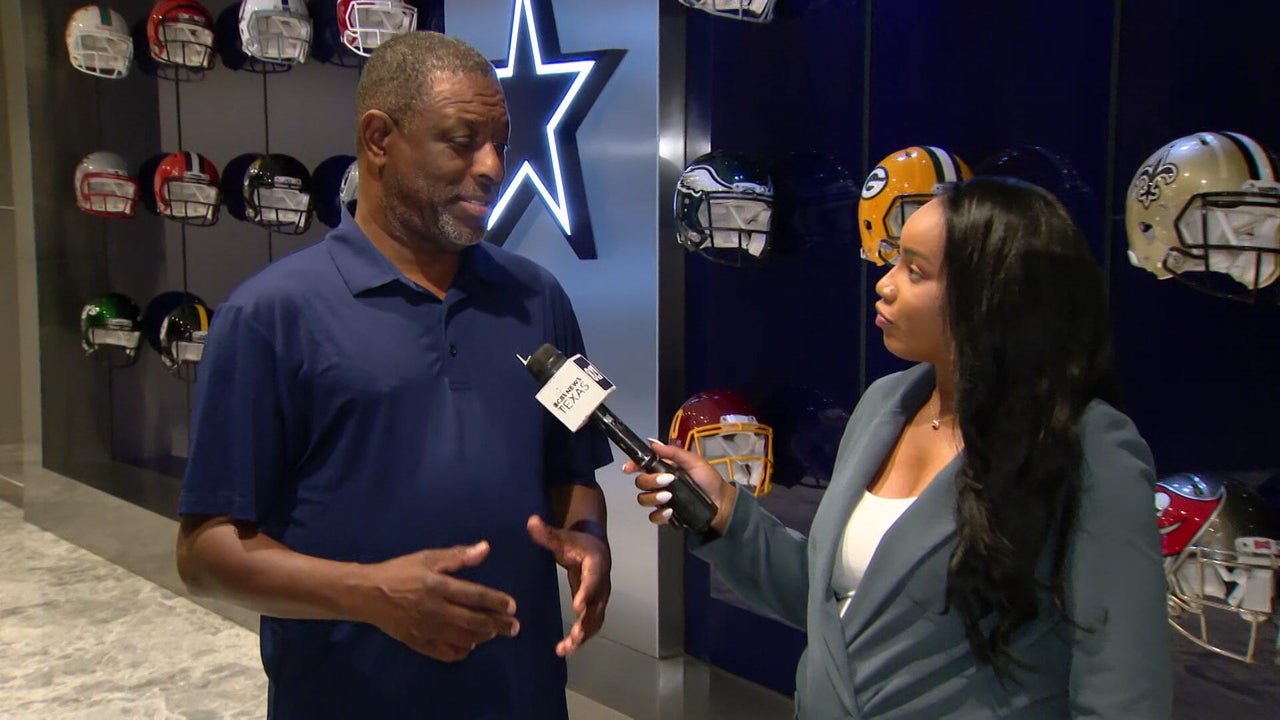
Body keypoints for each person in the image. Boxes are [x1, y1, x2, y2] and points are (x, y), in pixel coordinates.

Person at [175, 31, 613, 720]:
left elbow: (573, 472)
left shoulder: (540, 300)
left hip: (521, 696)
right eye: (462, 142)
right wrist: (369, 592)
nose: (492, 167)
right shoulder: (267, 317)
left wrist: (588, 538)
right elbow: (205, 553)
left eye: (500, 143)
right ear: (378, 138)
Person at [629, 177, 1172, 719]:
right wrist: (725, 514)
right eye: (893, 261)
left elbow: (1123, 687)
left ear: (993, 295)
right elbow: (841, 607)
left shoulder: (1087, 446)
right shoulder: (883, 406)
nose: (885, 284)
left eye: (915, 270)